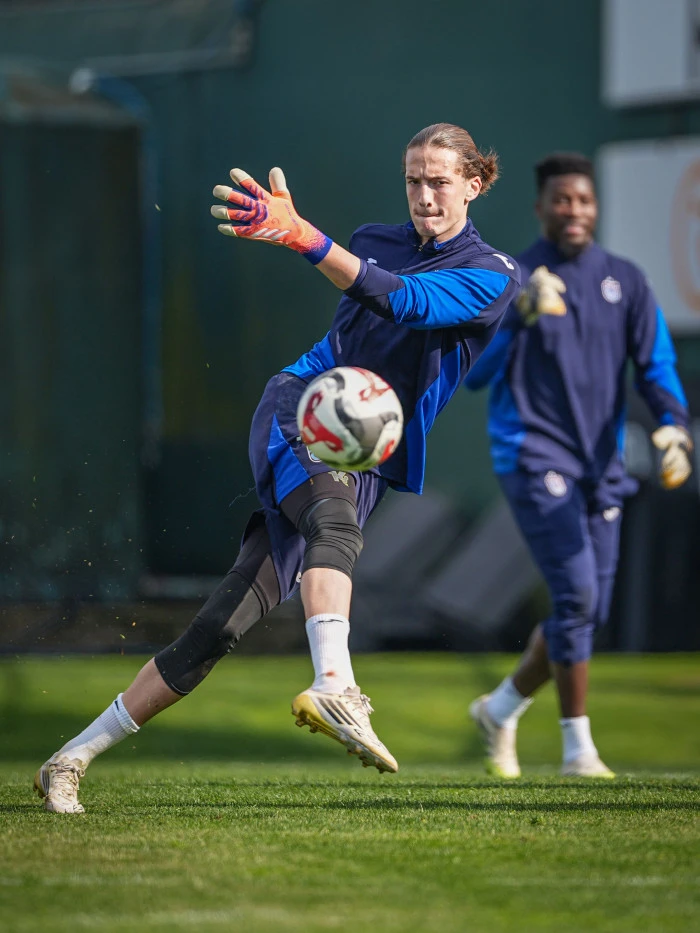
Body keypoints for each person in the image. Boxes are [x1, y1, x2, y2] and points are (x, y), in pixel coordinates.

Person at [35, 123, 520, 813]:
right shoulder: (375, 239)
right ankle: (336, 686)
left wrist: (305, 238)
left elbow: (407, 302)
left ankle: (70, 757)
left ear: (474, 183)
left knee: (221, 625)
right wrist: (310, 241)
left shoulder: (494, 274)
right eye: (413, 179)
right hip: (303, 405)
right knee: (335, 527)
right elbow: (372, 290)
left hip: (363, 455)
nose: (423, 195)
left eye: (438, 181)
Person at [464, 152, 692, 779]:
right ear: (541, 207)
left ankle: (500, 708)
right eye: (562, 200)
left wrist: (673, 424)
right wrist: (519, 316)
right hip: (533, 455)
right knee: (578, 596)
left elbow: (656, 363)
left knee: (585, 610)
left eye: (584, 200)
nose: (574, 211)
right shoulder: (512, 279)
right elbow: (473, 374)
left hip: (601, 465)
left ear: (596, 207)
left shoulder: (626, 280)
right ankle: (577, 751)